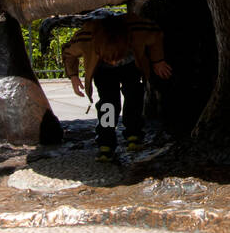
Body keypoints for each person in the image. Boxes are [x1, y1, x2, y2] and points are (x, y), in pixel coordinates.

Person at [62, 14, 170, 161]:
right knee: (108, 104)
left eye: (116, 58)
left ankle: (134, 133)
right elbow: (68, 52)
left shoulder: (138, 30)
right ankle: (105, 142)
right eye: (109, 58)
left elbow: (156, 35)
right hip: (102, 70)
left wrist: (158, 60)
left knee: (134, 95)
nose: (113, 63)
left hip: (130, 65)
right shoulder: (86, 38)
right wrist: (73, 76)